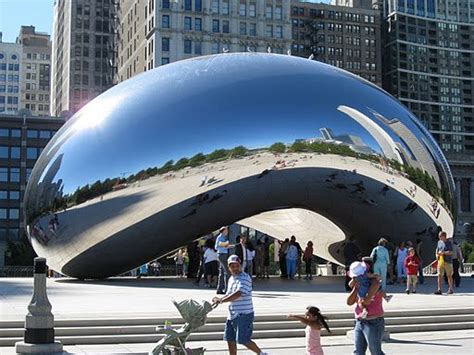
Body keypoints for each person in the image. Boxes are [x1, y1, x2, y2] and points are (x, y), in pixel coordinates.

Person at [212, 255, 267, 355]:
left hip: (244, 314)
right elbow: (228, 294)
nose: (235, 268)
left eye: (237, 265)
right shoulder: (231, 279)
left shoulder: (245, 278)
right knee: (230, 339)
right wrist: (219, 299)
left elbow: (238, 294)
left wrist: (221, 301)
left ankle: (261, 353)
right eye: (232, 266)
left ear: (240, 265)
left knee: (243, 339)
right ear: (229, 268)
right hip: (232, 314)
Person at [347, 276, 386, 355]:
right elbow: (349, 302)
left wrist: (361, 302)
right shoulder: (360, 287)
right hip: (360, 321)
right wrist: (356, 288)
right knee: (358, 352)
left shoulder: (374, 284)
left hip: (373, 322)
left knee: (375, 351)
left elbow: (366, 301)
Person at [215, 226, 234, 294]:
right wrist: (226, 244)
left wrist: (229, 246)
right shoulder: (221, 237)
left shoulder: (221, 237)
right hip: (222, 255)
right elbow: (218, 246)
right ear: (223, 231)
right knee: (227, 272)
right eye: (226, 231)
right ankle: (226, 289)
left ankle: (219, 289)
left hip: (222, 254)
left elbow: (221, 246)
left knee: (222, 272)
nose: (227, 232)